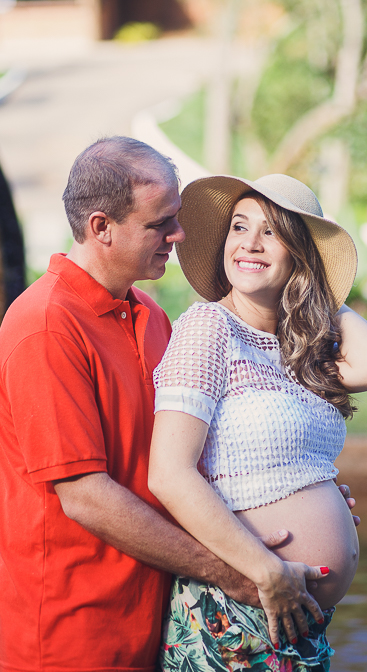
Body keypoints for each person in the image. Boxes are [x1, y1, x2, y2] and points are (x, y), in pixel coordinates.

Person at [0, 138, 313, 672]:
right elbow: (85, 497)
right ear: (101, 227)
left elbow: (188, 452)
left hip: (155, 621)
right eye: (160, 223)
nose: (179, 234)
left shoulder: (149, 314)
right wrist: (232, 572)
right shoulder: (44, 326)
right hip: (71, 637)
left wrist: (295, 492)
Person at [149, 173, 367, 672]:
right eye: (239, 227)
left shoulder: (299, 350)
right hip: (235, 612)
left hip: (298, 621)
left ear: (299, 255)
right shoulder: (209, 327)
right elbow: (169, 474)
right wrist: (266, 570)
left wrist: (320, 287)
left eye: (272, 231)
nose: (250, 243)